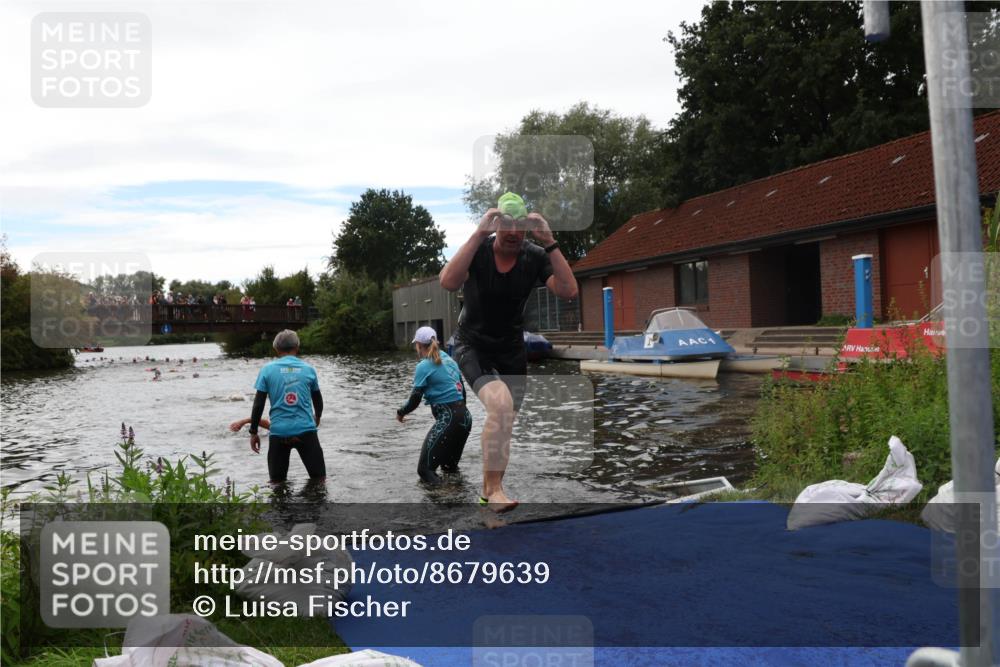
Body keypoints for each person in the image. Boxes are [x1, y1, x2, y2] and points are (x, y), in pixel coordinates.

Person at [439, 192, 578, 511]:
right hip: (472, 343)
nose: (514, 233)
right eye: (507, 226)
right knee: (499, 405)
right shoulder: (480, 251)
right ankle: (494, 491)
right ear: (497, 224)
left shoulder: (534, 255)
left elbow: (568, 290)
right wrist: (477, 234)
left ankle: (489, 494)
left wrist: (550, 242)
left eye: (520, 227)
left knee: (505, 420)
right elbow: (447, 282)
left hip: (511, 348)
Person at [396, 326, 472, 485]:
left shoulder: (423, 366)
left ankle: (444, 498)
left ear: (418, 345)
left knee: (425, 471)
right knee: (449, 468)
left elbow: (415, 399)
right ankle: (459, 500)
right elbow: (463, 394)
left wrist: (401, 412)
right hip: (465, 418)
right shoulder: (450, 360)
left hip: (449, 418)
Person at [248, 330, 325, 484]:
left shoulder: (267, 370)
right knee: (319, 481)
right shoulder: (308, 369)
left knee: (277, 484)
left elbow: (258, 404)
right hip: (306, 431)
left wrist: (254, 431)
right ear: (297, 346)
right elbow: (317, 399)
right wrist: (317, 416)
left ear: (276, 349)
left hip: (279, 433)